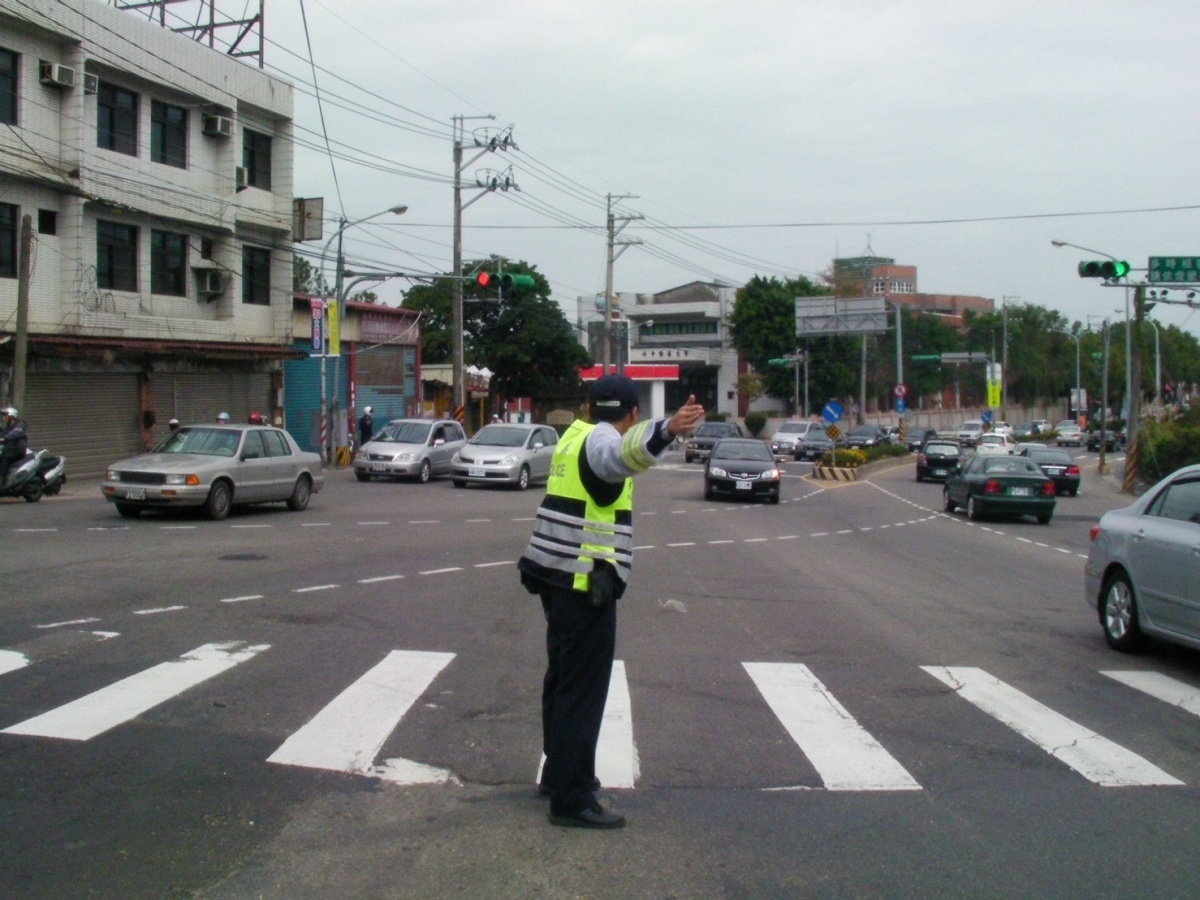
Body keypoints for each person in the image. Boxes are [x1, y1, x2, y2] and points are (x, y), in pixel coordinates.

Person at [518, 374, 705, 829]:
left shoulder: (575, 435)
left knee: (561, 680)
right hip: (585, 583)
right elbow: (620, 455)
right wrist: (669, 432)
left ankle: (557, 773)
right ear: (633, 413)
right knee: (582, 693)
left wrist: (663, 429)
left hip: (553, 574)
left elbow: (621, 445)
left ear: (587, 406)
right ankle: (572, 798)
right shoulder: (603, 442)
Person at [1, 406, 29, 485]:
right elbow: (2, 434)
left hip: (18, 450)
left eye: (5, 416)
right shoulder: (7, 427)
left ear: (11, 417)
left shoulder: (20, 424)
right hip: (9, 449)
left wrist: (4, 438)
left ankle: (3, 479)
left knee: (5, 457)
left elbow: (15, 433)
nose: (3, 418)